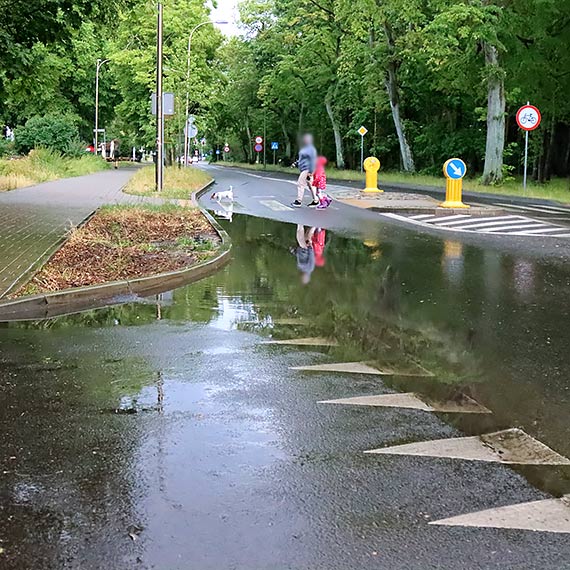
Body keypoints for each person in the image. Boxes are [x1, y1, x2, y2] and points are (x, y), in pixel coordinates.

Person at [292, 134, 318, 208]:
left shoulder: (310, 149)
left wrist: (311, 171)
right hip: (304, 168)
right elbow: (301, 159)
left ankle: (299, 201)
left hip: (306, 169)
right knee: (311, 185)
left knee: (300, 184)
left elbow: (313, 160)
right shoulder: (304, 149)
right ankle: (316, 200)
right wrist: (295, 163)